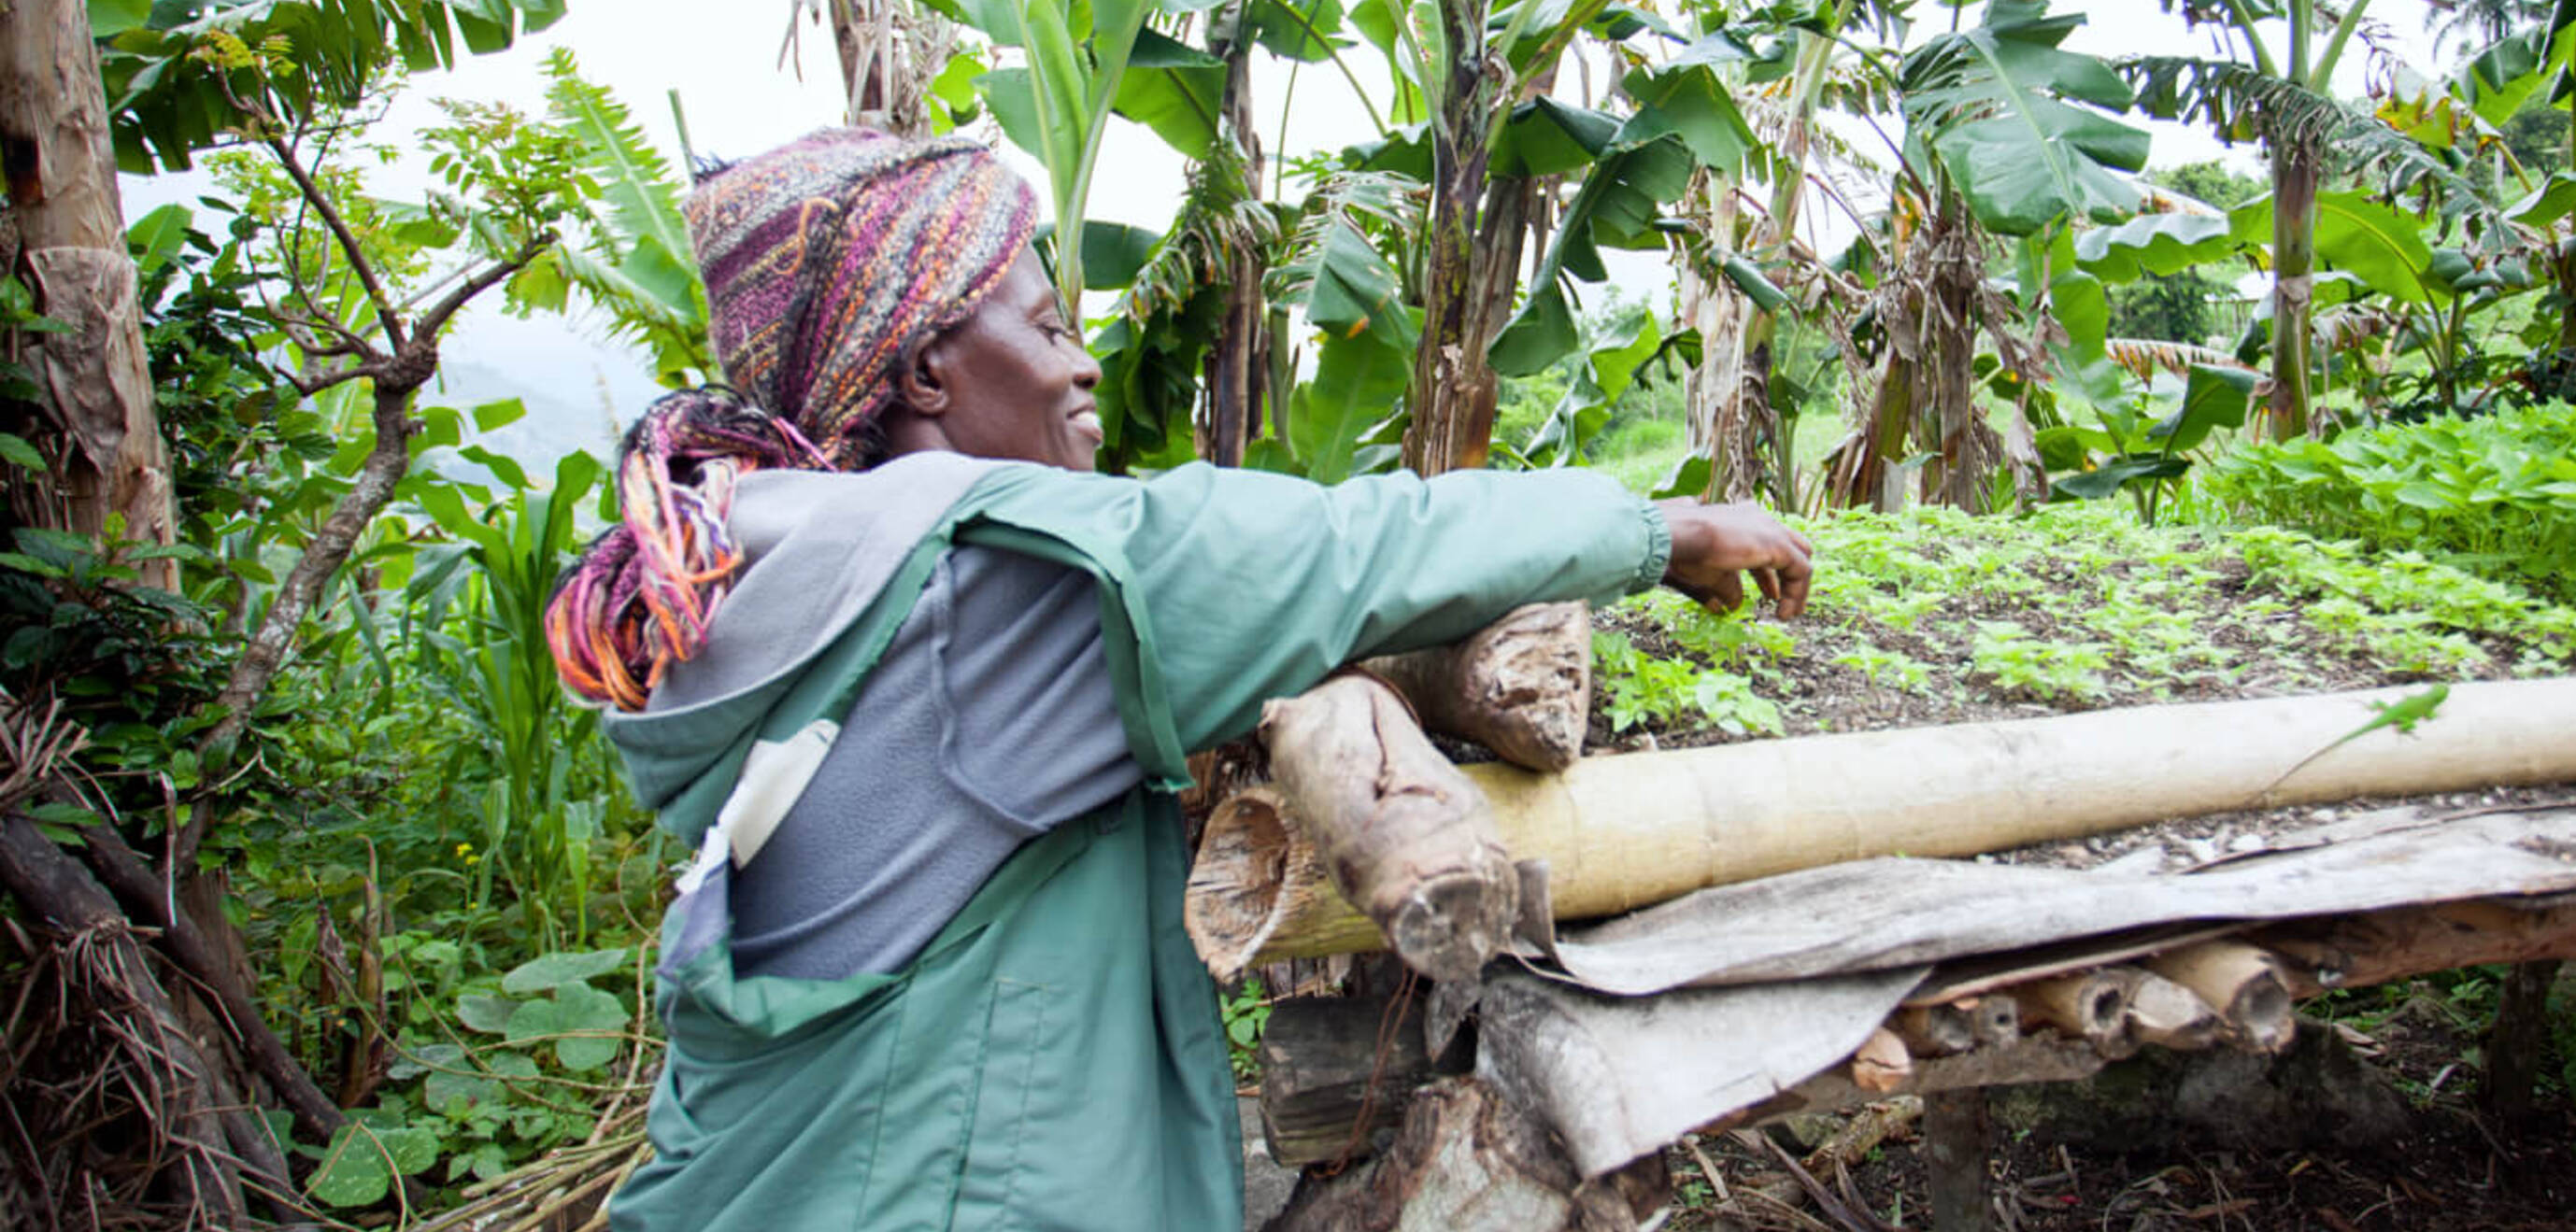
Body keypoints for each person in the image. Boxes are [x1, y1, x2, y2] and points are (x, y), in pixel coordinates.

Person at [546, 128, 1814, 1231]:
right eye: (1045, 329)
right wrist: (1665, 534)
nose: (1081, 365)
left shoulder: (778, 572)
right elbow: (1345, 551)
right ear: (927, 372)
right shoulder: (983, 586)